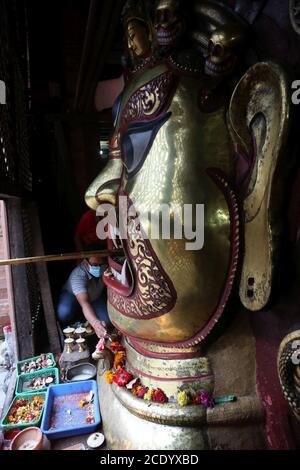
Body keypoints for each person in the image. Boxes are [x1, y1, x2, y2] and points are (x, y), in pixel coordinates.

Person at [57, 244, 111, 339]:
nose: (98, 267)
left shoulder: (106, 267)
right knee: (64, 313)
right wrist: (95, 323)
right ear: (85, 262)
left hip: (95, 297)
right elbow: (85, 303)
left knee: (106, 321)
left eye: (100, 264)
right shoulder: (78, 275)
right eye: (94, 265)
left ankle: (88, 318)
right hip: (73, 296)